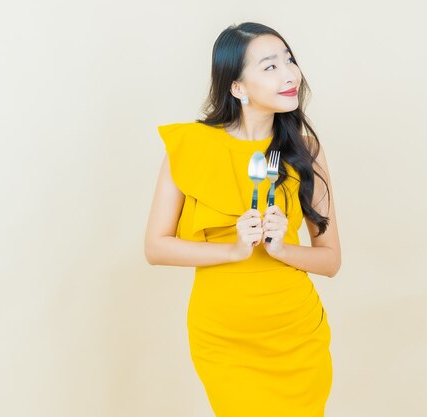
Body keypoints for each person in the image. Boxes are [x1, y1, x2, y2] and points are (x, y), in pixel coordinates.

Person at [144, 22, 341, 416]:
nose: (290, 74)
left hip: (295, 334)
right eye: (269, 66)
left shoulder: (305, 150)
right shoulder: (192, 146)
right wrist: (233, 249)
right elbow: (155, 248)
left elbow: (330, 260)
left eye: (289, 60)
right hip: (224, 337)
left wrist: (283, 248)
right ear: (237, 87)